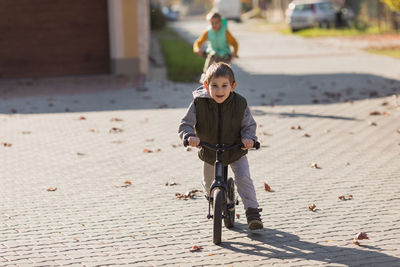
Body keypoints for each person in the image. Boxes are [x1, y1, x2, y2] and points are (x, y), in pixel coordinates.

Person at [178, 62, 263, 230]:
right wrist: (189, 137)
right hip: (210, 150)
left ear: (233, 86)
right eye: (214, 86)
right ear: (206, 85)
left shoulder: (240, 103)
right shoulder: (198, 103)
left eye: (224, 86)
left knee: (243, 177)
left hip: (235, 148)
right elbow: (186, 124)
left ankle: (252, 212)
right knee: (209, 183)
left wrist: (248, 139)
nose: (219, 90)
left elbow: (248, 126)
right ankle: (214, 198)